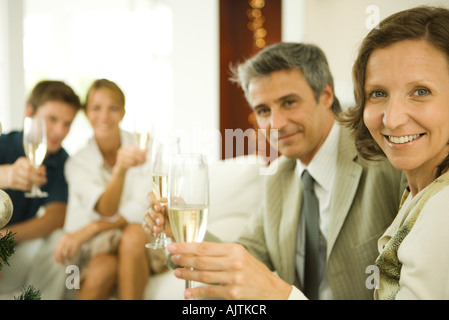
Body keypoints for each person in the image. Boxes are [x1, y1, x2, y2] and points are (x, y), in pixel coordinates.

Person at [144, 42, 406, 299]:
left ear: (326, 95)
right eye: (263, 110)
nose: (276, 123)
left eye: (289, 102)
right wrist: (174, 231)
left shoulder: (384, 155)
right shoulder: (279, 176)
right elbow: (240, 260)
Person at [341, 5, 449, 299]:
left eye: (421, 91)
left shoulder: (444, 208)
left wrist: (281, 294)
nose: (392, 118)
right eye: (378, 93)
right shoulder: (421, 191)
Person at [55, 79, 165, 300]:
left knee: (133, 234)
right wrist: (120, 170)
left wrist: (92, 228)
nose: (104, 116)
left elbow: (144, 207)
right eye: (96, 108)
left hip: (137, 239)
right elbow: (105, 209)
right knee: (103, 268)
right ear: (86, 113)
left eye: (113, 108)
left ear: (123, 112)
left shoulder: (147, 147)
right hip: (98, 246)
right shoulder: (77, 163)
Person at [0, 80, 81, 299]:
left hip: (9, 250)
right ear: (29, 112)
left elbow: (55, 217)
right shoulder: (4, 145)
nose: (59, 131)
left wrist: (4, 237)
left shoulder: (61, 160)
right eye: (52, 119)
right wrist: (7, 174)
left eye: (67, 123)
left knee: (60, 242)